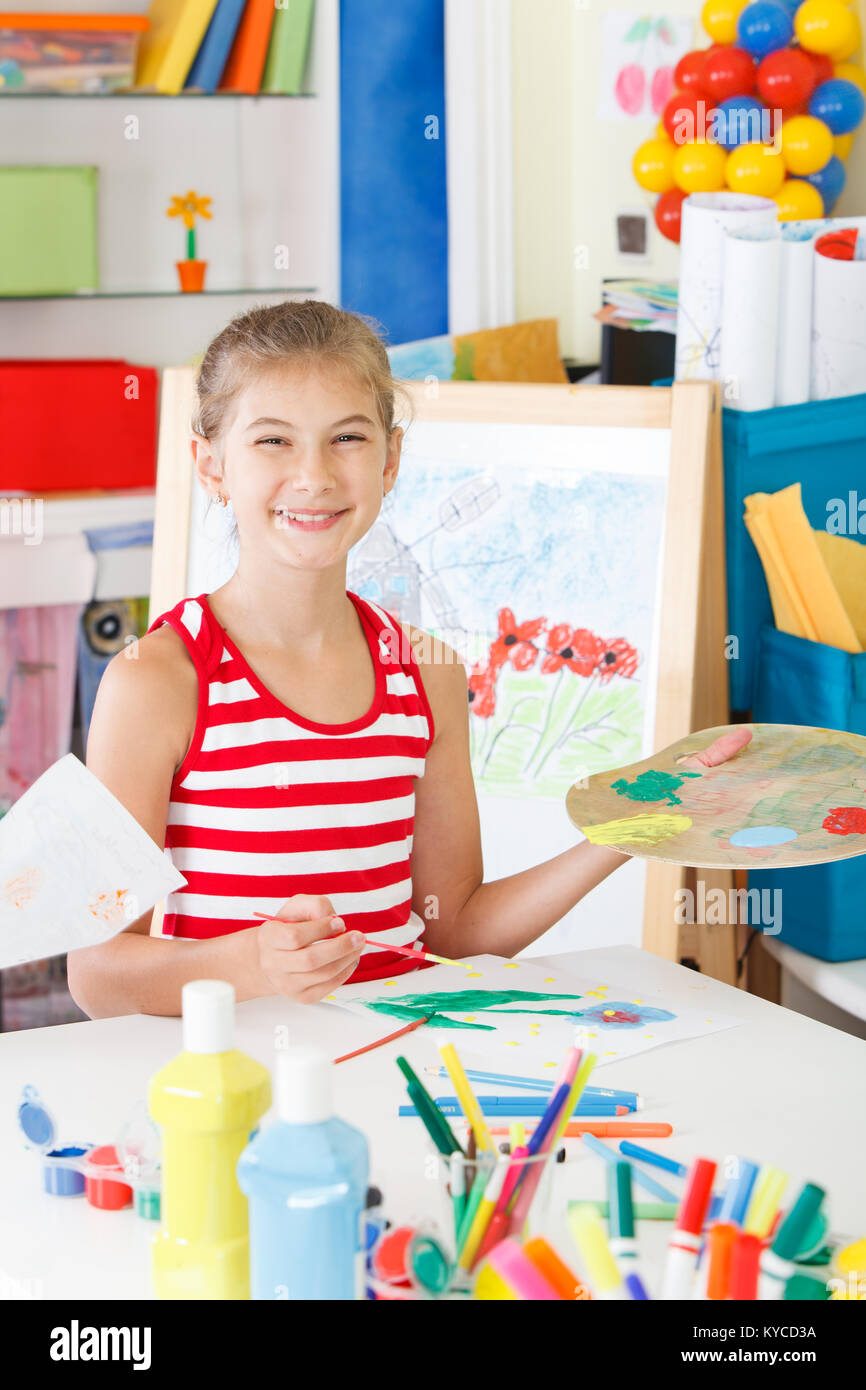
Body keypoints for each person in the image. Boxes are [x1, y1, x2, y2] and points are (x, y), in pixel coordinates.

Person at [68, 300, 750, 1019]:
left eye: (348, 438)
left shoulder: (427, 674)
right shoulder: (158, 680)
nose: (315, 475)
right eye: (273, 441)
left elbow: (454, 929)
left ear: (390, 460)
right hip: (236, 1084)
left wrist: (634, 826)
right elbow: (98, 972)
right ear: (211, 465)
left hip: (402, 1069)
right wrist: (246, 965)